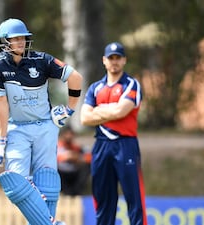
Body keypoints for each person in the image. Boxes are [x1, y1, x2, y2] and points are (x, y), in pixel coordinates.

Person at [0, 18, 83, 225]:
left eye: (23, 38)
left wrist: (69, 109)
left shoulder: (42, 60)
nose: (21, 42)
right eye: (15, 38)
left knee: (47, 182)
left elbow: (76, 78)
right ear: (4, 41)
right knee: (15, 183)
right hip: (17, 128)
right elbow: (1, 103)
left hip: (45, 126)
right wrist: (1, 139)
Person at [80, 42, 147, 225]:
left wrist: (98, 110)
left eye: (118, 58)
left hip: (125, 144)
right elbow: (84, 118)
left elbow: (121, 111)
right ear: (104, 61)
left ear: (124, 60)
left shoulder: (131, 84)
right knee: (103, 199)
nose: (114, 62)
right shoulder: (95, 88)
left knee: (134, 198)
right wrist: (111, 109)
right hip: (101, 145)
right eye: (111, 58)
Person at [57, 126, 91, 196]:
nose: (69, 136)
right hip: (62, 174)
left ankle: (76, 193)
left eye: (71, 134)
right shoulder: (57, 147)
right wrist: (66, 157)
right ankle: (64, 193)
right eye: (67, 134)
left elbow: (89, 157)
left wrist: (77, 158)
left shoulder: (77, 148)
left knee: (88, 166)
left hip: (74, 173)